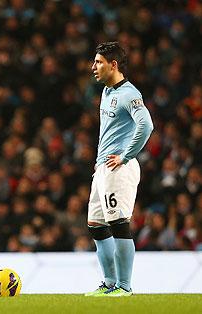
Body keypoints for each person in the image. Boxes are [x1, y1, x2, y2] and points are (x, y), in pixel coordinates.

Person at [85, 42, 153, 297]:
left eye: (99, 62)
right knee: (96, 226)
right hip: (103, 168)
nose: (93, 67)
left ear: (113, 65)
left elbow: (145, 125)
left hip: (119, 168)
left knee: (118, 224)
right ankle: (109, 283)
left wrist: (126, 156)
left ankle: (125, 286)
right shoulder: (106, 91)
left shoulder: (129, 94)